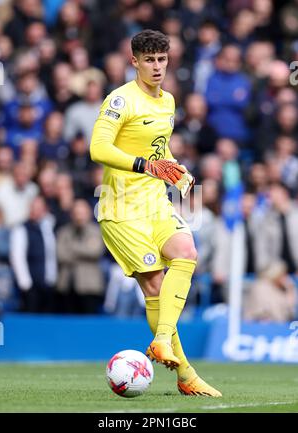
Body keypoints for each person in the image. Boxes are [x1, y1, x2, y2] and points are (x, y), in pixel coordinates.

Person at [90, 29, 221, 397]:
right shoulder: (120, 101)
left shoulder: (168, 102)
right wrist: (145, 165)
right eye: (149, 60)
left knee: (187, 253)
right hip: (120, 208)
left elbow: (160, 151)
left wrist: (177, 171)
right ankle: (186, 375)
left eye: (162, 59)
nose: (157, 66)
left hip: (155, 203)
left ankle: (162, 338)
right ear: (134, 61)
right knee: (154, 286)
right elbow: (97, 149)